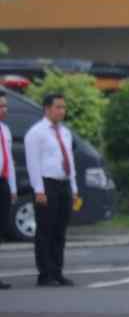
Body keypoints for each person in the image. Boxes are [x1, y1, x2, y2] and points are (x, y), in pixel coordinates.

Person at [24, 93, 79, 287]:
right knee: (45, 230)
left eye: (64, 107)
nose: (62, 111)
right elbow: (33, 164)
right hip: (47, 184)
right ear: (47, 109)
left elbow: (70, 161)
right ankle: (45, 273)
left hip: (63, 183)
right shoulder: (36, 133)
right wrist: (39, 190)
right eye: (58, 107)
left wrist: (73, 187)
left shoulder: (65, 132)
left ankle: (57, 271)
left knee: (60, 231)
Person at [0, 89, 17, 290]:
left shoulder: (6, 130)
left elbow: (9, 161)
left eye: (5, 106)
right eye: (1, 106)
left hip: (2, 182)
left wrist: (12, 187)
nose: (4, 110)